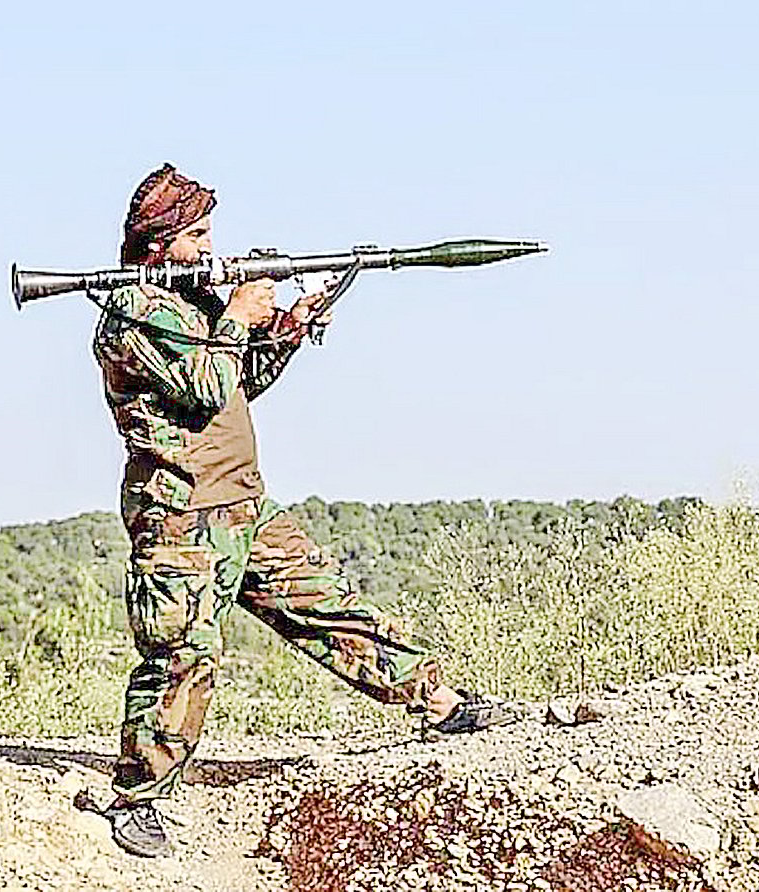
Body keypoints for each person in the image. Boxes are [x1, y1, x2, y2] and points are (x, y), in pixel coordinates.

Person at [92, 163, 519, 857]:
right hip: (180, 516)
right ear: (161, 241)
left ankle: (437, 703)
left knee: (327, 603)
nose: (209, 247)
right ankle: (138, 797)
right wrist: (238, 313)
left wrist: (288, 327)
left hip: (242, 506)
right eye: (197, 234)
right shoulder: (132, 315)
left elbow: (239, 384)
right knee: (181, 655)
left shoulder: (193, 306)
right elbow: (203, 386)